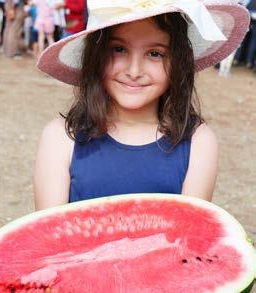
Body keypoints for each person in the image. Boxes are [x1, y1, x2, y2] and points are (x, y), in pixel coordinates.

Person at [34, 0, 249, 210]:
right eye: (119, 49)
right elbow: (50, 239)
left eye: (155, 54)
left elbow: (188, 238)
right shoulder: (60, 138)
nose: (134, 71)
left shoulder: (199, 142)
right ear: (95, 55)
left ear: (177, 62)